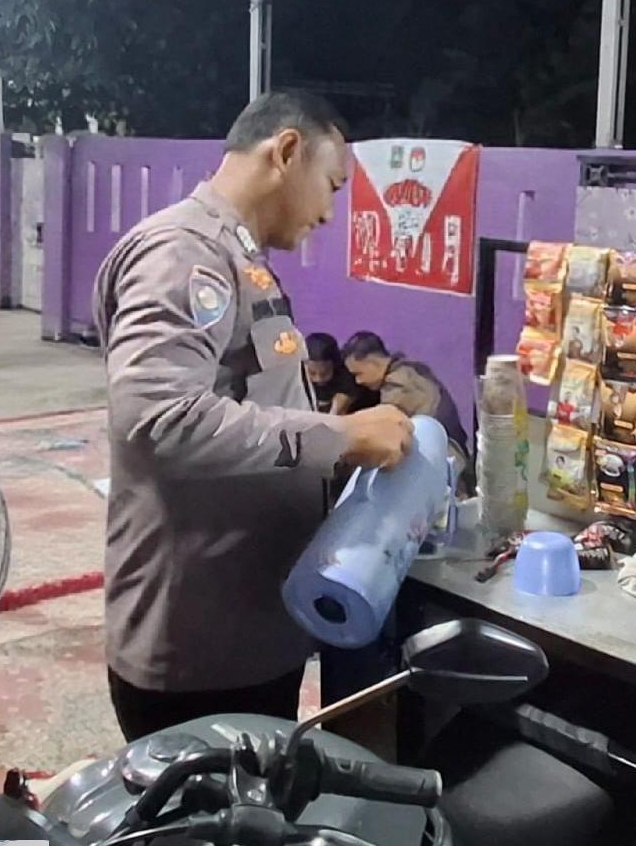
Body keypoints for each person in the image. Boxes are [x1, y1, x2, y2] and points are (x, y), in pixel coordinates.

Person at [95, 91, 413, 743]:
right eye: (331, 185)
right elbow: (157, 419)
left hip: (246, 632)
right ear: (286, 151)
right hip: (200, 653)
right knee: (209, 814)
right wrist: (341, 436)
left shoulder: (236, 258)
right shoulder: (185, 255)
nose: (330, 211)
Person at [341, 331, 473, 493]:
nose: (358, 381)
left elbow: (380, 435)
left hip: (447, 468)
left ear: (372, 363)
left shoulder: (400, 385)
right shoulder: (410, 370)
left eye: (358, 374)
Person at [304, 332, 358, 415]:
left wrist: (333, 413)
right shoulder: (295, 374)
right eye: (312, 373)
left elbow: (345, 397)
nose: (318, 379)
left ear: (335, 365)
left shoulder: (346, 374)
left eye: (324, 373)